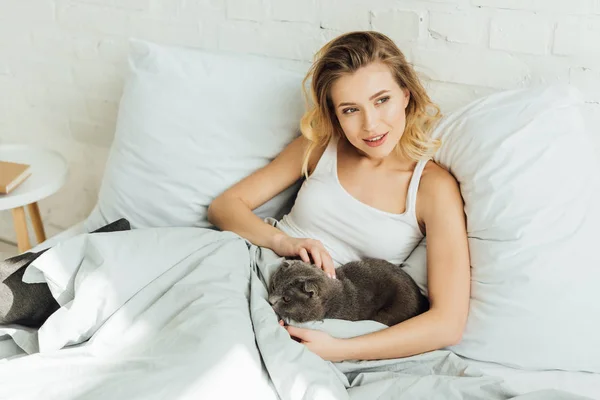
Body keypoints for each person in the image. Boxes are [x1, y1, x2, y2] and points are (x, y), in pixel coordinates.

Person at [207, 31, 470, 362]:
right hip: (255, 268)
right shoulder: (321, 146)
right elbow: (224, 207)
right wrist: (282, 242)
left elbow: (448, 323)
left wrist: (341, 350)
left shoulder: (433, 188)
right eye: (350, 110)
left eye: (381, 100)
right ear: (334, 113)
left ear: (405, 94)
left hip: (319, 311)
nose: (370, 125)